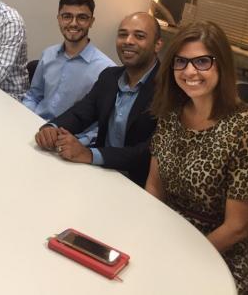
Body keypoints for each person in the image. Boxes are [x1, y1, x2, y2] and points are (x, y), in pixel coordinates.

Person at [146, 21, 248, 294]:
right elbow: (154, 187)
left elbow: (237, 227)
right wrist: (147, 234)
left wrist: (183, 259)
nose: (189, 71)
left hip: (230, 258)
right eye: (181, 61)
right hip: (175, 236)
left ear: (222, 66)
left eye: (202, 61)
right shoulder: (171, 115)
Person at [34, 12, 162, 186]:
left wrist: (89, 154)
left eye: (139, 36)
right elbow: (81, 113)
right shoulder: (109, 76)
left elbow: (150, 151)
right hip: (99, 173)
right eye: (123, 34)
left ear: (157, 45)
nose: (128, 41)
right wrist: (52, 128)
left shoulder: (168, 89)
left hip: (138, 184)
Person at [22, 0, 115, 145]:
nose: (73, 23)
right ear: (59, 19)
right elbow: (33, 96)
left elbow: (101, 124)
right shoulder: (48, 54)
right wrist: (26, 119)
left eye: (82, 17)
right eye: (67, 16)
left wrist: (78, 144)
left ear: (91, 21)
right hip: (34, 128)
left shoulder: (106, 70)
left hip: (69, 141)